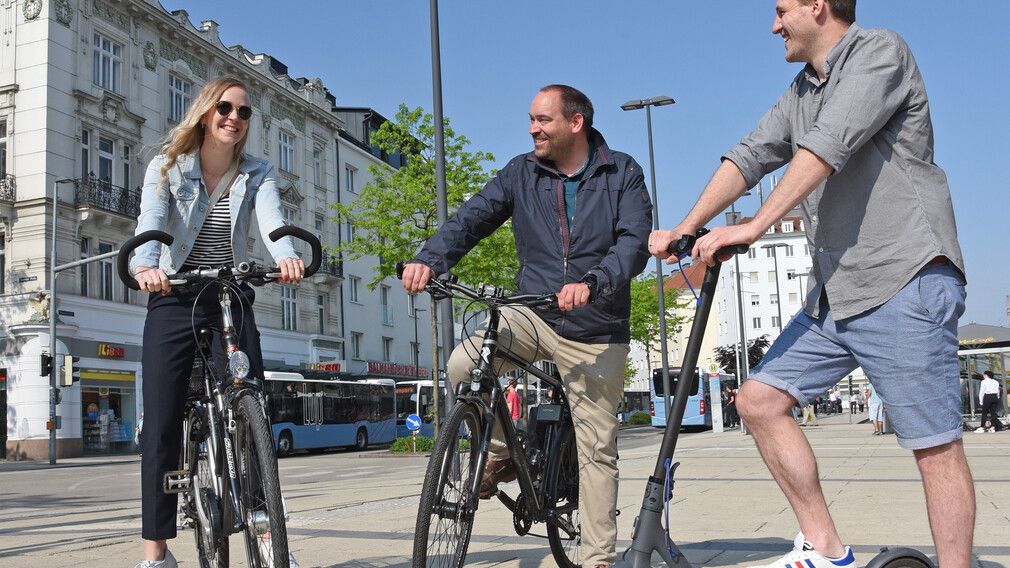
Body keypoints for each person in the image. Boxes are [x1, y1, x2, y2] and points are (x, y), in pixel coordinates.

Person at [647, 1, 972, 567]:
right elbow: (750, 155)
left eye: (781, 10)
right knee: (757, 400)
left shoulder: (878, 53)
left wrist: (753, 226)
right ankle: (826, 548)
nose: (774, 25)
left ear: (817, 6)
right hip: (836, 293)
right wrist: (689, 224)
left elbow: (828, 146)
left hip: (902, 276)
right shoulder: (801, 90)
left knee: (934, 447)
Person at [402, 84, 652, 568]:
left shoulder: (622, 171)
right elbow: (471, 218)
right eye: (531, 120)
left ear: (575, 123)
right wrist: (430, 260)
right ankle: (500, 452)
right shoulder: (522, 171)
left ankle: (597, 558)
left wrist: (595, 282)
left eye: (543, 120)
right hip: (534, 311)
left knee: (597, 447)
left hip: (596, 325)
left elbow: (633, 243)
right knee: (465, 360)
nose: (533, 128)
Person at [130, 76, 304, 568]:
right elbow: (151, 221)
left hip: (229, 293)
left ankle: (270, 543)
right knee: (162, 425)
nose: (234, 118)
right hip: (175, 293)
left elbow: (272, 223)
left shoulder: (259, 172)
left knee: (255, 414)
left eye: (244, 113)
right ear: (206, 113)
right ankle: (157, 554)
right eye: (225, 108)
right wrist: (147, 265)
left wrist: (286, 255)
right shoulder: (166, 167)